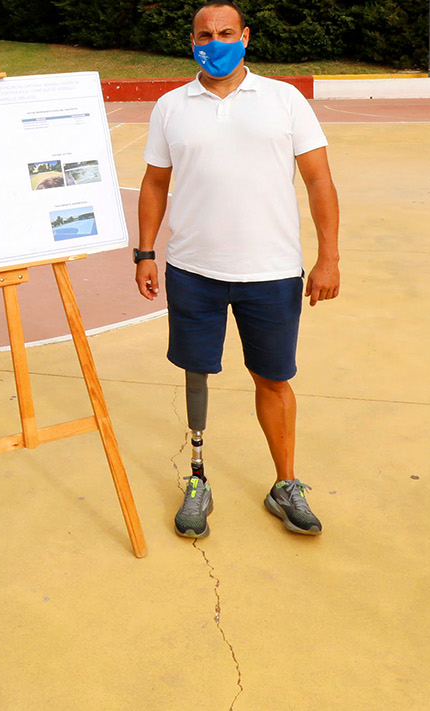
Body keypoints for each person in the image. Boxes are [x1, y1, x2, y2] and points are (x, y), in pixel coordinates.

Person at [134, 1, 342, 539]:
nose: (215, 41)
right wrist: (145, 252)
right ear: (192, 39)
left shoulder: (284, 100)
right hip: (193, 270)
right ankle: (198, 479)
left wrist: (329, 256)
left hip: (270, 271)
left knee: (273, 379)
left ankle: (286, 485)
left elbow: (319, 180)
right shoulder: (171, 106)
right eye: (205, 34)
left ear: (245, 37)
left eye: (226, 32)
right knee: (196, 374)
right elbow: (155, 183)